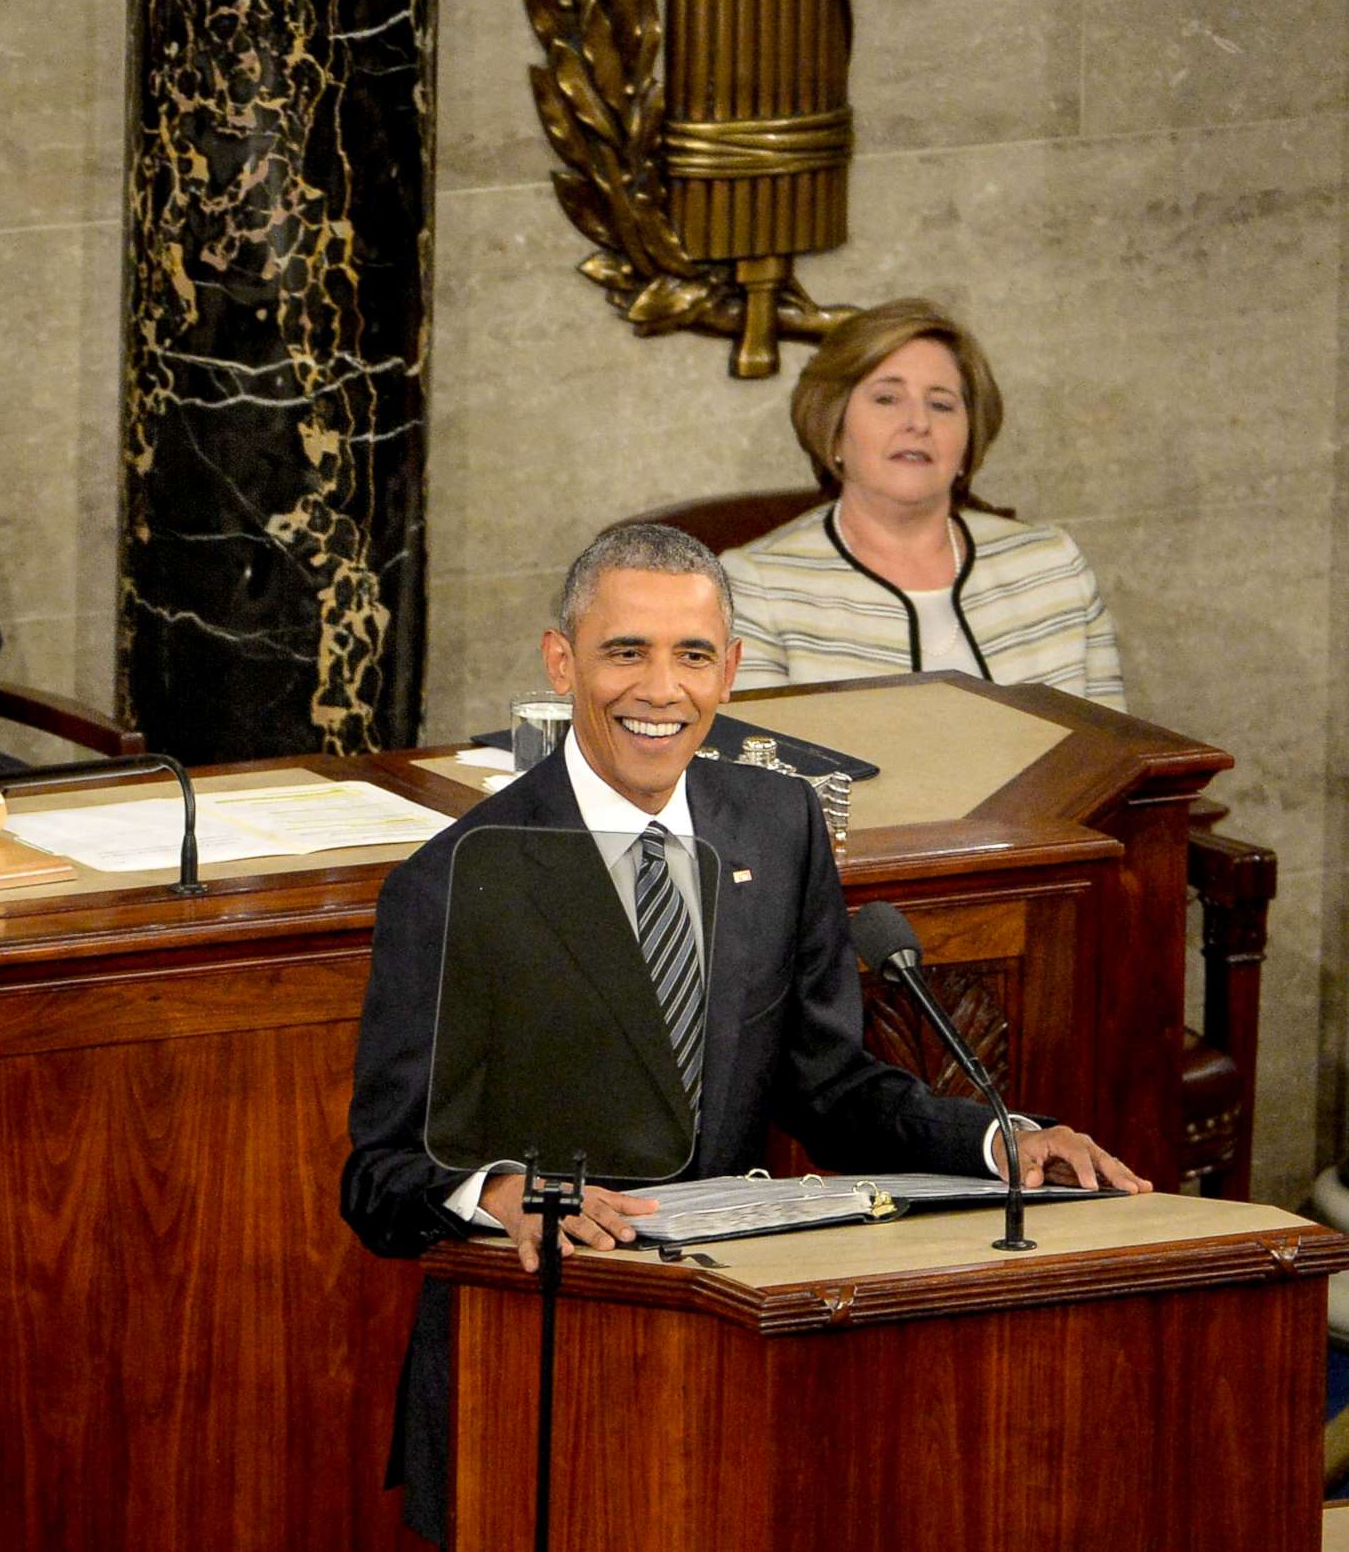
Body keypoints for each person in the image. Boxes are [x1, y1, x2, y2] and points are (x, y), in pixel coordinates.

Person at [339, 524, 1146, 1547]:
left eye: (691, 654)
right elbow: (377, 1176)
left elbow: (831, 1087)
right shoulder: (456, 878)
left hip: (728, 1349)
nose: (660, 687)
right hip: (536, 1367)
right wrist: (495, 1191)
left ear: (730, 668)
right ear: (562, 660)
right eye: (625, 650)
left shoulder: (776, 821)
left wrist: (996, 1141)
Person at [718, 297, 1124, 706]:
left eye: (941, 404)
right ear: (835, 429)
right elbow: (765, 764)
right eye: (887, 399)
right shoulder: (757, 586)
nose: (918, 422)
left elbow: (1117, 753)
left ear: (968, 441)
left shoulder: (1053, 565)